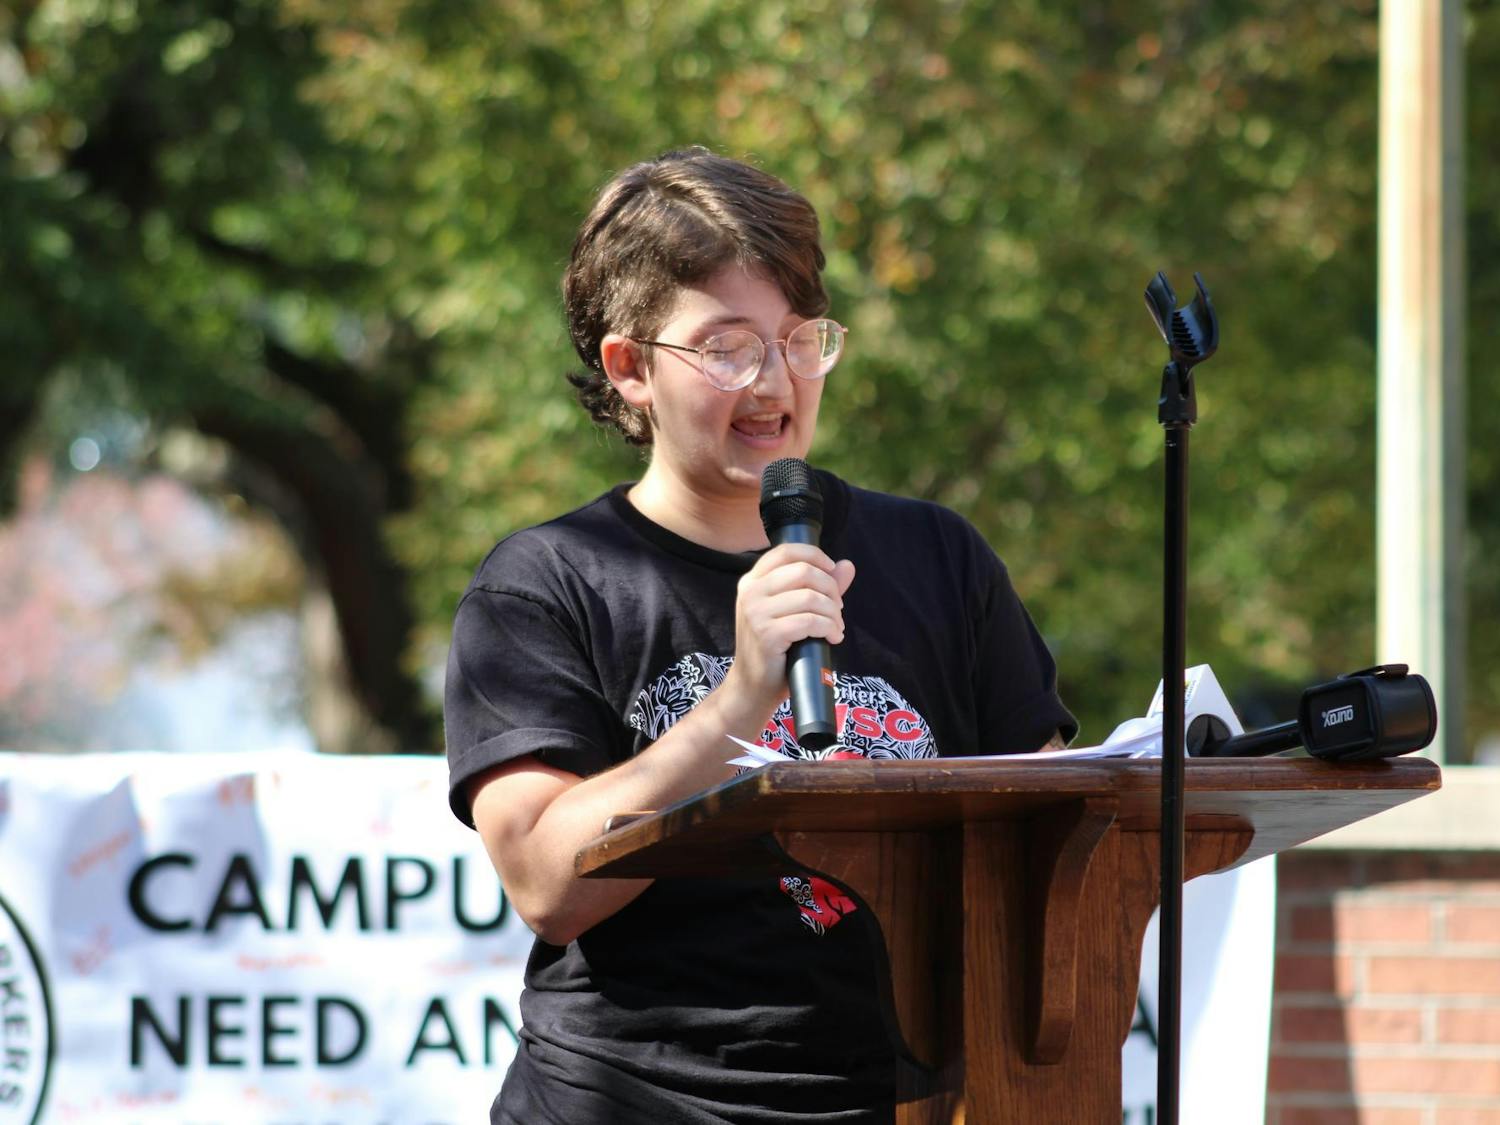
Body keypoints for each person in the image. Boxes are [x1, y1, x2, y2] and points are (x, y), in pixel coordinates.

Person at [444, 147, 1077, 1124]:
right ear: (631, 367)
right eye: (728, 347)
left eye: (798, 340)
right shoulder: (546, 583)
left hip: (908, 1097)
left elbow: (1047, 822)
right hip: (637, 1104)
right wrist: (740, 699)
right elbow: (543, 882)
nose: (775, 381)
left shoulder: (938, 555)